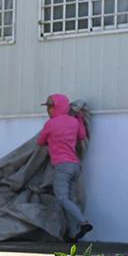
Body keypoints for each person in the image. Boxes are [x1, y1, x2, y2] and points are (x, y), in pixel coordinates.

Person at [38, 93, 92, 243]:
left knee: (62, 198)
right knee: (70, 200)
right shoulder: (74, 122)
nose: (48, 111)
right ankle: (73, 235)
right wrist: (80, 118)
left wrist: (51, 137)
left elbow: (41, 142)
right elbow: (82, 136)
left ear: (58, 108)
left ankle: (84, 223)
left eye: (50, 107)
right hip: (75, 166)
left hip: (61, 167)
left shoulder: (51, 124)